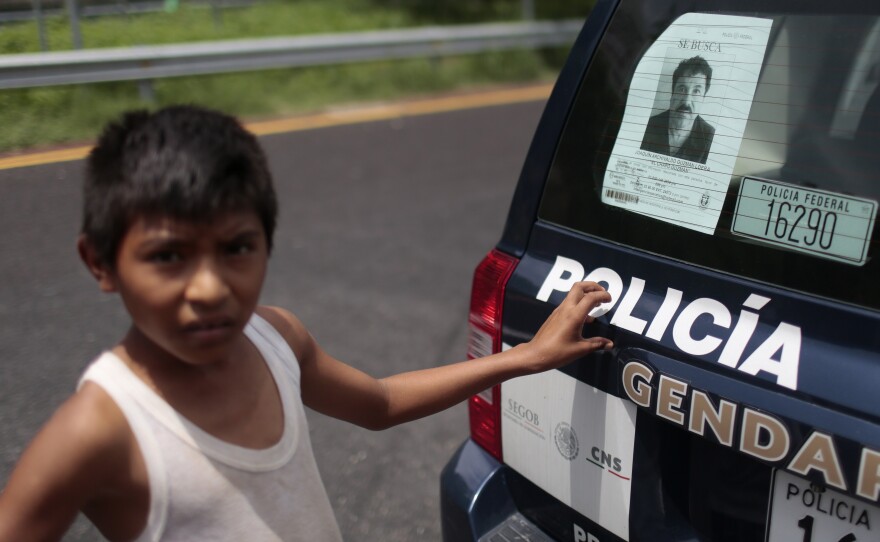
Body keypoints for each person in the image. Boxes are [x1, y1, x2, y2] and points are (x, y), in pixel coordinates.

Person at [0, 105, 614, 541]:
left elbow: (378, 402)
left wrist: (526, 356)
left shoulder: (275, 339)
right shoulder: (99, 428)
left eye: (237, 248)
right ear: (100, 263)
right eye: (168, 256)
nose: (210, 288)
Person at [640, 55, 715, 164]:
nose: (687, 101)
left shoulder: (711, 139)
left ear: (703, 98)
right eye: (682, 89)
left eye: (696, 91)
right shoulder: (646, 127)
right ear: (672, 93)